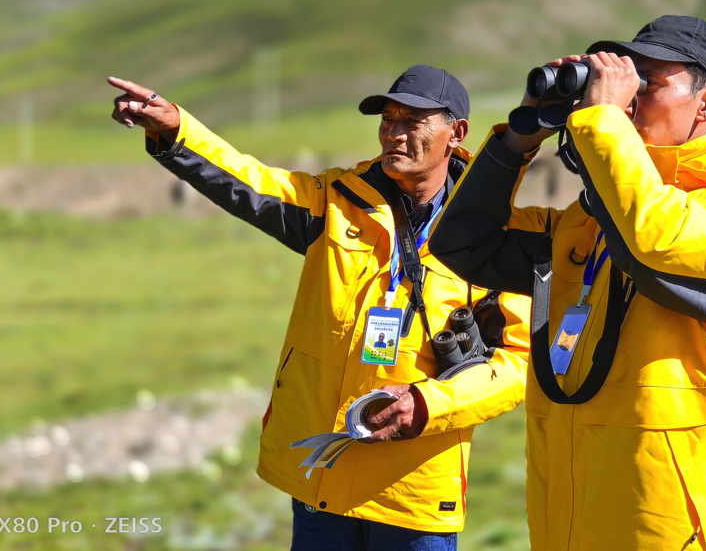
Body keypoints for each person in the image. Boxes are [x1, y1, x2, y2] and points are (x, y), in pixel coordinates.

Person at [109, 65, 532, 550]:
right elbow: (249, 181)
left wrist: (426, 403)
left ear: (456, 134)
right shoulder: (334, 200)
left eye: (412, 121)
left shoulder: (496, 233)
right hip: (322, 476)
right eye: (387, 119)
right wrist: (176, 130)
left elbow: (518, 364)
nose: (393, 132)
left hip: (412, 492)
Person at [429, 16, 706, 550]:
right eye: (623, 80)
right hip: (568, 511)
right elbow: (462, 241)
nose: (628, 97)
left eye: (648, 82)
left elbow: (654, 239)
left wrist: (602, 122)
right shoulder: (585, 220)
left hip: (661, 520)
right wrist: (522, 135)